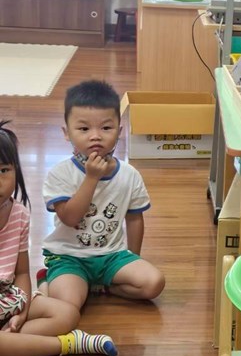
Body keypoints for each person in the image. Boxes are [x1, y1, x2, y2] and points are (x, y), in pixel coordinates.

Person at [38, 81, 165, 315]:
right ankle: (50, 279)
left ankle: (103, 287)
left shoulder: (129, 175)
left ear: (120, 129)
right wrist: (91, 178)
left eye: (106, 128)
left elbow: (135, 218)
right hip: (69, 256)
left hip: (111, 256)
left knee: (153, 283)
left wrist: (132, 259)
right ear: (67, 133)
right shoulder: (60, 174)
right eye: (84, 129)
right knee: (69, 305)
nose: (95, 136)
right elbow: (70, 218)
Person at [0, 120, 117, 356]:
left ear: (16, 171)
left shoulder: (19, 213)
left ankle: (13, 343)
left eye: (3, 171)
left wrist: (21, 311)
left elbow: (22, 273)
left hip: (7, 299)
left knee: (67, 314)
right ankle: (68, 345)